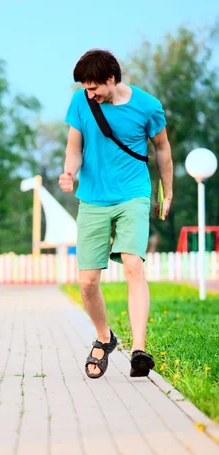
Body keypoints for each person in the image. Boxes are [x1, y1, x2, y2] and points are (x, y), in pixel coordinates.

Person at [59, 49, 173, 379]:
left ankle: (139, 350)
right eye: (85, 88)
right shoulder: (81, 103)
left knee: (133, 265)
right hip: (93, 197)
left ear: (111, 79)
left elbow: (162, 148)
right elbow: (74, 147)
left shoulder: (147, 106)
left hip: (133, 194)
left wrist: (167, 191)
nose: (88, 94)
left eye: (93, 87)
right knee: (87, 282)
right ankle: (105, 337)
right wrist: (69, 172)